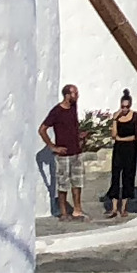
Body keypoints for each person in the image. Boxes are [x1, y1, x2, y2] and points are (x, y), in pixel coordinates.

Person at [38, 85, 87, 220]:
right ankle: (64, 212)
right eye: (74, 93)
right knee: (63, 184)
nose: (77, 96)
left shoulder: (73, 107)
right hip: (63, 154)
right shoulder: (56, 111)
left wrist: (79, 136)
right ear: (67, 95)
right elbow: (42, 129)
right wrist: (53, 147)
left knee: (77, 182)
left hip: (76, 152)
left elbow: (72, 126)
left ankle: (77, 210)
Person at [104, 92, 137, 219]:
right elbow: (114, 135)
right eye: (123, 106)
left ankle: (124, 207)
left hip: (131, 149)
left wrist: (121, 139)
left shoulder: (135, 116)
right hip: (119, 149)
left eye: (127, 107)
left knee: (128, 176)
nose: (125, 109)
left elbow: (136, 136)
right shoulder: (117, 117)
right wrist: (115, 119)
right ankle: (114, 207)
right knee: (115, 176)